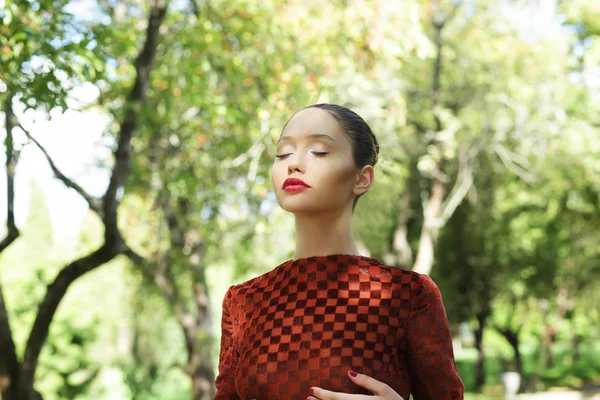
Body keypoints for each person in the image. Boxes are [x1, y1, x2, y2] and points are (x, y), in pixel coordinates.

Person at [214, 104, 464, 400]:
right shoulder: (243, 302)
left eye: (318, 151)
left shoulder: (409, 296)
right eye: (283, 153)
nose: (294, 164)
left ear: (362, 179)